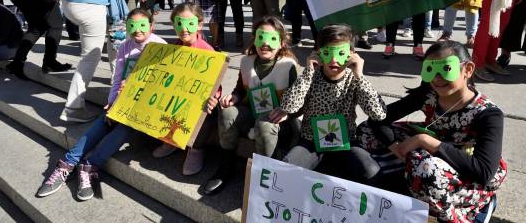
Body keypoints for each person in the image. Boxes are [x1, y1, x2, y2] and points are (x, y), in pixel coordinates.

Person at [354, 41, 506, 223]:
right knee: (365, 130)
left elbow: (483, 170)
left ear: (468, 69)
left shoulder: (488, 114)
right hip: (427, 152)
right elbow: (379, 117)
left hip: (464, 167)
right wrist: (394, 146)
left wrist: (426, 141)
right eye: (430, 70)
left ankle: (463, 212)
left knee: (425, 170)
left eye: (446, 69)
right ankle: (410, 176)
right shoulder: (429, 93)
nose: (437, 78)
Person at [36, 8, 165, 201]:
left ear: (151, 26)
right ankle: (67, 163)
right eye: (132, 26)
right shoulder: (125, 46)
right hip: (125, 99)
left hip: (147, 106)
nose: (138, 30)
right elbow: (117, 77)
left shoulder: (160, 46)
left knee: (126, 127)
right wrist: (112, 103)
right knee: (107, 119)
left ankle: (89, 165)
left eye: (142, 25)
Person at [268, 24, 386, 174]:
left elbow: (379, 113)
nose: (334, 60)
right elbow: (288, 106)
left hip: (345, 142)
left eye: (340, 53)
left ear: (351, 54)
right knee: (288, 167)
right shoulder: (311, 76)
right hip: (311, 141)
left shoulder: (354, 79)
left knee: (370, 170)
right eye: (328, 53)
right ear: (318, 53)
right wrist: (308, 72)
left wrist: (360, 76)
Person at [202, 16, 299, 195]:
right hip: (251, 113)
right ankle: (226, 166)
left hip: (277, 123)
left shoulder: (288, 66)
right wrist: (235, 97)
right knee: (228, 113)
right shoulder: (246, 62)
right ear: (254, 38)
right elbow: (240, 89)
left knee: (264, 125)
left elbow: (300, 102)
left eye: (272, 39)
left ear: (282, 42)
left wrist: (287, 112)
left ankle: (266, 174)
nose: (265, 44)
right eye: (261, 37)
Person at [151, 3, 221, 176]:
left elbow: (216, 86)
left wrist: (215, 98)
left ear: (200, 24)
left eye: (189, 23)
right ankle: (171, 141)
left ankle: (196, 149)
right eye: (179, 23)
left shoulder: (208, 52)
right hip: (177, 101)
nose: (184, 29)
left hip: (200, 106)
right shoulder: (171, 49)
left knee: (206, 109)